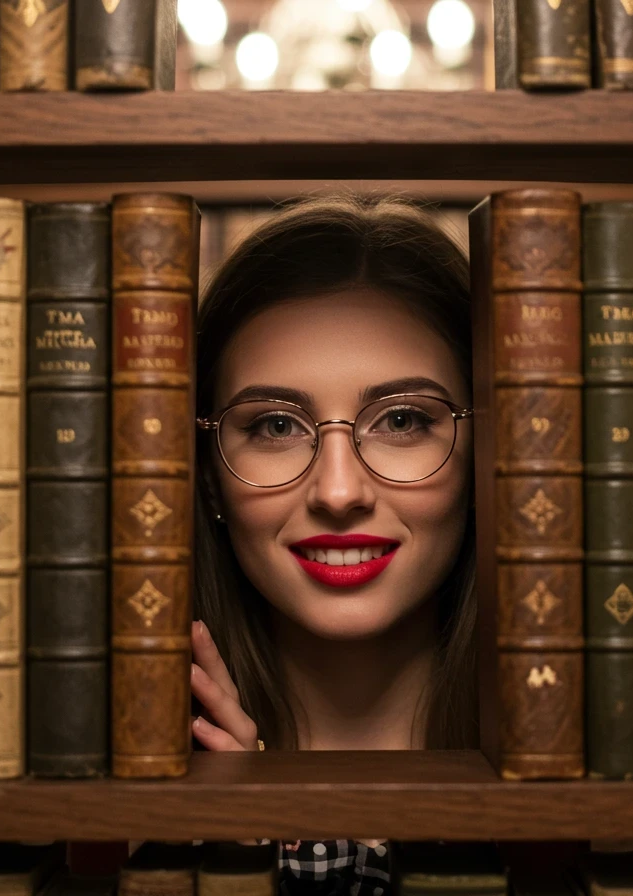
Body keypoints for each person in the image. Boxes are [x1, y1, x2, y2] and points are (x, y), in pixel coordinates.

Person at [189, 195, 479, 896]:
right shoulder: (112, 793)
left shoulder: (611, 779)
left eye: (403, 419)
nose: (339, 491)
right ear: (206, 478)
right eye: (276, 427)